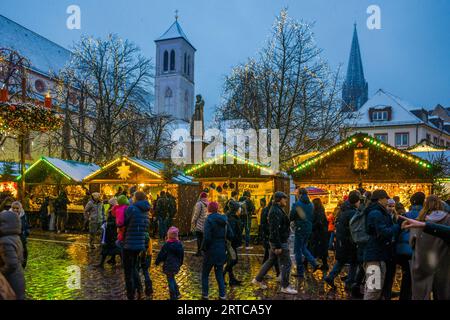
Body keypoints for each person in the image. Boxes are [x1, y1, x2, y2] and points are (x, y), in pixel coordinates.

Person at [252, 192, 297, 295]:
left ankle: (258, 279)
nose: (286, 201)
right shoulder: (275, 211)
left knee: (271, 260)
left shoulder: (277, 209)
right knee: (287, 263)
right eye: (284, 199)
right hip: (280, 241)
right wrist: (277, 245)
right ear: (279, 200)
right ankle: (285, 286)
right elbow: (274, 229)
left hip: (278, 240)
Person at [409, 195, 450, 300]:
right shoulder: (448, 219)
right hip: (443, 260)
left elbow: (411, 242)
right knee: (442, 292)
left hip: (422, 260)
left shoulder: (419, 219)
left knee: (422, 293)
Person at [363, 189, 400, 300]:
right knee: (373, 289)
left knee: (375, 288)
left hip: (377, 254)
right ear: (380, 199)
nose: (387, 200)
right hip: (374, 255)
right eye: (386, 198)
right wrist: (398, 226)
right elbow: (384, 232)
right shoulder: (376, 213)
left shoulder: (378, 211)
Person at [324, 191, 360, 290]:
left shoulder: (343, 210)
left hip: (341, 239)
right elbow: (354, 228)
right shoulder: (352, 212)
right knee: (354, 261)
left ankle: (330, 277)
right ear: (356, 201)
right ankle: (349, 282)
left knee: (341, 260)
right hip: (349, 240)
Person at [395, 192, 425, 300]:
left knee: (407, 275)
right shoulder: (426, 215)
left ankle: (404, 296)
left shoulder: (405, 215)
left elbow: (397, 231)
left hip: (403, 251)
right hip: (418, 250)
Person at [201, 201, 233, 300]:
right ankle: (222, 294)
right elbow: (231, 235)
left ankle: (205, 294)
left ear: (209, 209)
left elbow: (207, 237)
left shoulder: (208, 220)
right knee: (219, 273)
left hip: (211, 250)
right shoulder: (224, 219)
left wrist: (203, 248)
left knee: (205, 273)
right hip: (221, 250)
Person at [122, 191, 150, 300]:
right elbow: (146, 226)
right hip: (140, 244)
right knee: (134, 267)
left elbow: (123, 223)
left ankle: (131, 293)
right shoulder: (146, 211)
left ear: (136, 198)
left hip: (129, 243)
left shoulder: (131, 209)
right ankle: (139, 289)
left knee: (128, 270)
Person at [289, 188, 319, 278]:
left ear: (300, 194)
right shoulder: (311, 205)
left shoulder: (297, 204)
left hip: (300, 228)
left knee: (297, 250)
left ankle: (300, 272)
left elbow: (291, 216)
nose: (296, 195)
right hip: (308, 228)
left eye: (297, 194)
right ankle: (314, 262)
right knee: (303, 247)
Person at [0, 210, 25, 300]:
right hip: (18, 277)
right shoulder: (16, 237)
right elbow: (21, 258)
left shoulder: (5, 241)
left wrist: (1, 272)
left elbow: (11, 264)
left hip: (10, 281)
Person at [155, 226, 184, 300]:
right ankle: (177, 293)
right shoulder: (179, 245)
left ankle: (173, 296)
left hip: (168, 266)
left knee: (170, 280)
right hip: (176, 265)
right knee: (172, 278)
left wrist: (157, 262)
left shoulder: (166, 245)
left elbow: (161, 255)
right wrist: (180, 263)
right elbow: (181, 256)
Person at [96, 198, 120, 268]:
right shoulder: (112, 210)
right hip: (110, 232)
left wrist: (107, 224)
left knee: (108, 247)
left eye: (110, 203)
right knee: (113, 248)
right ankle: (112, 260)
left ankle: (102, 263)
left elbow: (115, 222)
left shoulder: (114, 211)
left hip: (111, 233)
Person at [260, 196, 280, 278]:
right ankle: (278, 273)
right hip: (269, 236)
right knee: (273, 256)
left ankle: (262, 274)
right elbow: (265, 225)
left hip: (268, 236)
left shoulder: (267, 210)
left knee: (268, 256)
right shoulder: (269, 211)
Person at [224, 200, 243, 286]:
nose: (241, 210)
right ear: (236, 209)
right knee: (233, 260)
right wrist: (233, 240)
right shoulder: (231, 218)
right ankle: (222, 274)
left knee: (231, 260)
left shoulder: (234, 217)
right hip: (230, 243)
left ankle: (231, 279)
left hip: (233, 243)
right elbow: (231, 232)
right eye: (239, 208)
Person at [311, 198, 329, 271]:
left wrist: (312, 226)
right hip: (322, 233)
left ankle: (323, 265)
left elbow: (319, 223)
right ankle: (324, 264)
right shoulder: (321, 211)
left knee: (318, 249)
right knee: (322, 250)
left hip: (319, 234)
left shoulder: (318, 212)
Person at [10, 202, 29, 269]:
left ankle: (22, 267)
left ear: (20, 209)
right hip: (12, 238)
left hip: (21, 237)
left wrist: (26, 234)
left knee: (24, 252)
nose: (15, 210)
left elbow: (26, 225)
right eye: (13, 208)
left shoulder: (23, 216)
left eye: (17, 208)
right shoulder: (8, 216)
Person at [191, 192, 208, 257]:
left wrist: (192, 221)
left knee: (199, 238)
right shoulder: (208, 203)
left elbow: (196, 215)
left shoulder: (199, 204)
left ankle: (199, 252)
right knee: (203, 238)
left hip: (199, 225)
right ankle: (203, 251)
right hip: (205, 224)